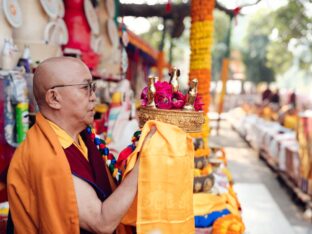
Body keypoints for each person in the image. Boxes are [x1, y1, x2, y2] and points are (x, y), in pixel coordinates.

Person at [7, 57, 154, 233]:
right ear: (54, 98)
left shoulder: (83, 137)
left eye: (93, 87)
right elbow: (101, 222)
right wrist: (142, 162)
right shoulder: (45, 157)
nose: (94, 97)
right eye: (85, 88)